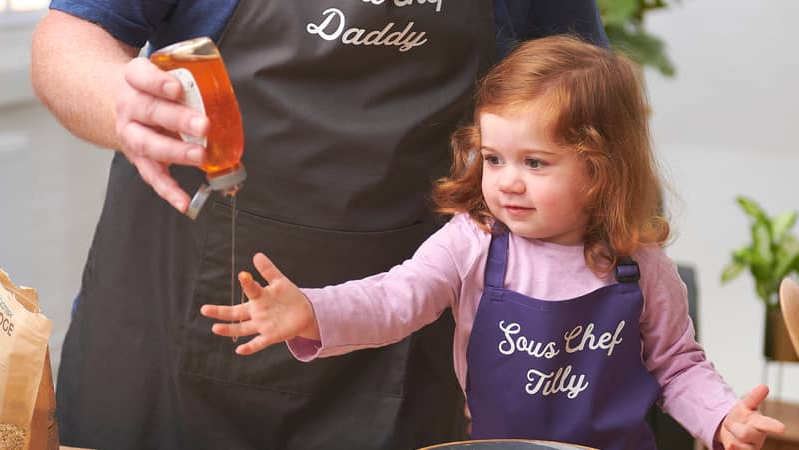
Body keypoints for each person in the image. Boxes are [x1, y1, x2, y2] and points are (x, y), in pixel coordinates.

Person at [30, 1, 609, 449]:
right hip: (165, 330)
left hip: (411, 350)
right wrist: (121, 104)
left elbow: (584, 102)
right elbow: (68, 41)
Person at [200, 35, 787, 450]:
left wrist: (720, 419)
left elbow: (677, 366)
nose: (507, 180)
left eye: (535, 162)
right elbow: (394, 298)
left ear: (600, 170)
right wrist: (311, 309)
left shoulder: (640, 267)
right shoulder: (474, 243)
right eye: (494, 158)